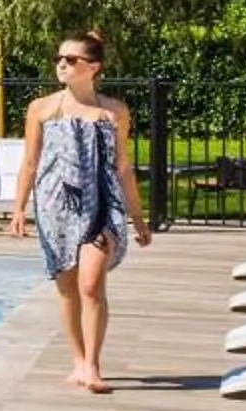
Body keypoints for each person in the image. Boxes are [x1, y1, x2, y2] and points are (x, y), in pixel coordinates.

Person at [8, 30, 151, 391]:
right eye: (59, 58)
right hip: (55, 207)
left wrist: (137, 217)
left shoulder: (113, 112)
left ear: (93, 67)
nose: (62, 64)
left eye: (71, 60)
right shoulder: (42, 109)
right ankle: (77, 360)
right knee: (68, 289)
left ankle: (92, 366)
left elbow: (123, 167)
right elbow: (30, 163)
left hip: (103, 205)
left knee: (90, 285)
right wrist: (18, 209)